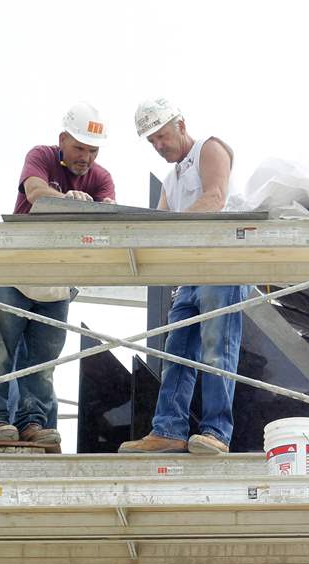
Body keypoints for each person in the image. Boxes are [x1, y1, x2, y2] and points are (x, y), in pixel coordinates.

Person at [0, 101, 116, 446]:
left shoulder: (100, 178)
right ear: (62, 139)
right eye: (79, 147)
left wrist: (93, 208)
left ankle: (33, 422)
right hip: (16, 271)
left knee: (43, 361)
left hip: (57, 282)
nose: (86, 156)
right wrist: (70, 201)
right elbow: (35, 193)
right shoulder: (42, 157)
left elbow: (110, 217)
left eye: (92, 150)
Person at [119, 98, 245, 455]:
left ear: (180, 125)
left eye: (162, 136)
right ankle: (169, 429)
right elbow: (158, 225)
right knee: (177, 353)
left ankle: (217, 432)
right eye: (152, 142)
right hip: (191, 275)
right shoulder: (170, 181)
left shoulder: (211, 148)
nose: (158, 146)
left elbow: (214, 198)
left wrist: (167, 234)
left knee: (218, 347)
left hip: (222, 264)